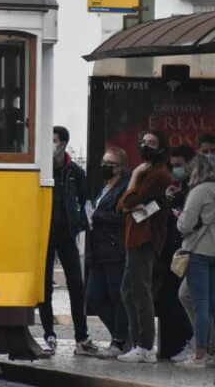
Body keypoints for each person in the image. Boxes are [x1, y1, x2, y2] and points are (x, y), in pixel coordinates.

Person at [38, 126, 98, 356]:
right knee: (44, 287)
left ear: (63, 143)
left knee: (76, 285)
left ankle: (81, 337)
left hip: (66, 234)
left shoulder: (75, 172)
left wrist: (81, 223)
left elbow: (84, 201)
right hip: (45, 234)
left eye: (53, 140)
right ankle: (49, 335)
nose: (50, 145)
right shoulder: (43, 169)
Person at [116, 130, 172, 363]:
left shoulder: (156, 174)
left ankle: (145, 345)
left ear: (161, 148)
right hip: (134, 236)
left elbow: (128, 201)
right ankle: (138, 341)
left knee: (140, 290)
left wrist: (134, 176)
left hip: (144, 237)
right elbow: (123, 206)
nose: (146, 145)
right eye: (144, 141)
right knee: (128, 291)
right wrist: (129, 202)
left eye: (152, 143)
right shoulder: (148, 172)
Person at [176, 154, 215, 368]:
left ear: (196, 172)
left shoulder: (199, 191)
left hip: (200, 251)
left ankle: (199, 355)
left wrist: (179, 217)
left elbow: (185, 225)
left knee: (201, 304)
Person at [84, 146, 130, 358]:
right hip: (96, 249)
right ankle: (122, 336)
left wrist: (97, 216)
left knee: (116, 296)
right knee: (93, 296)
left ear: (119, 168)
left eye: (109, 164)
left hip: (114, 249)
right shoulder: (103, 187)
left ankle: (119, 341)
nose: (105, 167)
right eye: (103, 163)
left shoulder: (124, 188)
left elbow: (124, 218)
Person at [158, 145, 195, 362]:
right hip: (173, 253)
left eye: (179, 165)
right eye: (173, 166)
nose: (175, 170)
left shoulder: (195, 189)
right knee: (169, 299)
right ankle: (183, 343)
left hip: (186, 253)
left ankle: (192, 343)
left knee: (182, 299)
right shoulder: (180, 189)